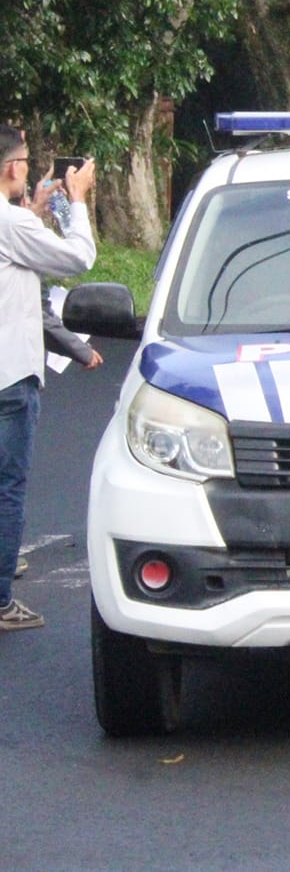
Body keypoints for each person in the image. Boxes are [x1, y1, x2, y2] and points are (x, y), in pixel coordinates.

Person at [0, 130, 96, 630]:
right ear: (14, 168)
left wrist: (36, 212)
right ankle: (0, 601)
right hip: (9, 378)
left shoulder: (16, 223)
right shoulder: (10, 221)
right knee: (8, 488)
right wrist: (74, 203)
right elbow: (78, 259)